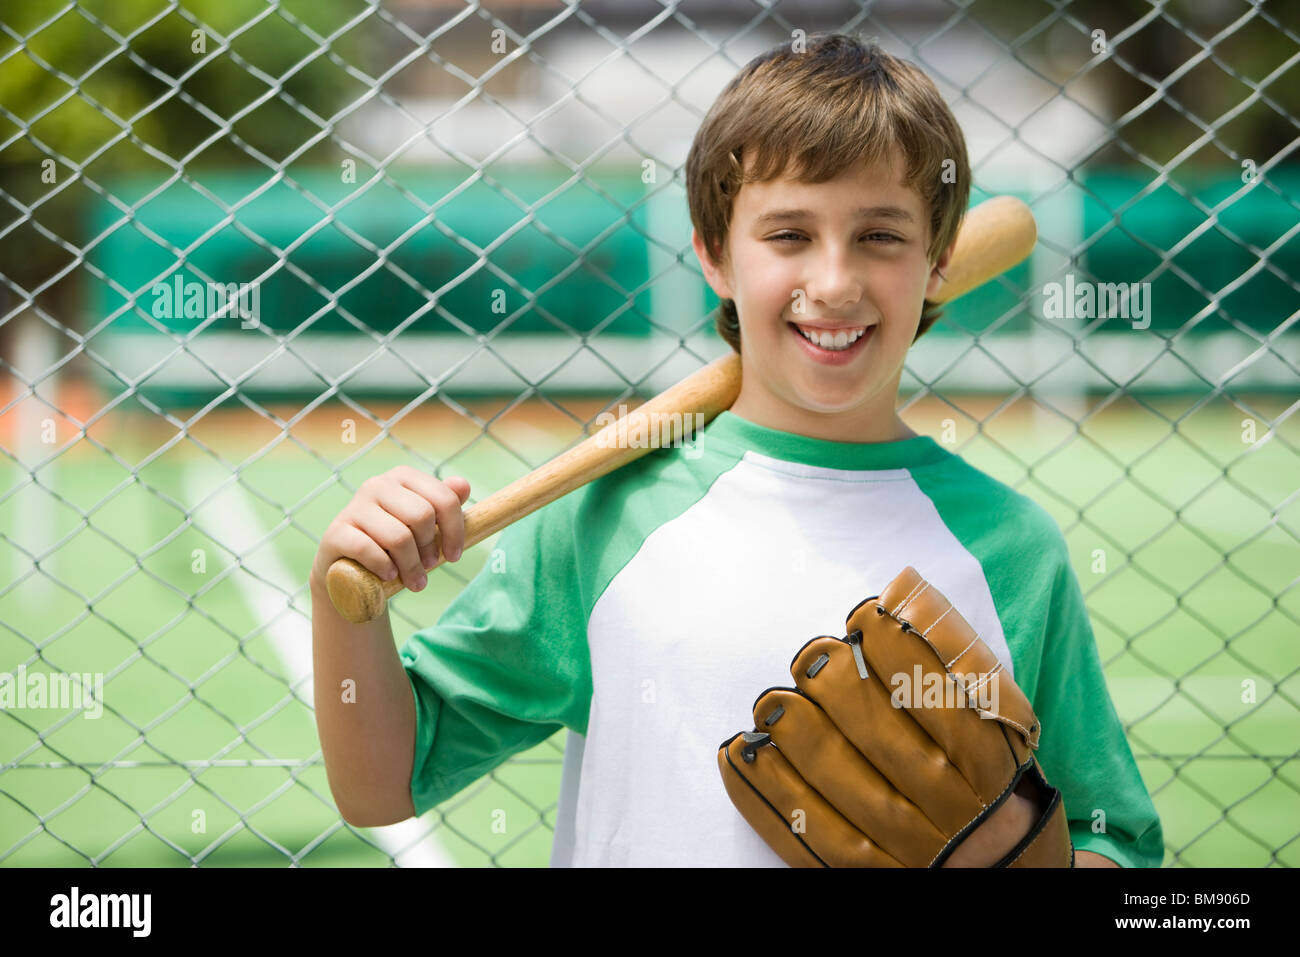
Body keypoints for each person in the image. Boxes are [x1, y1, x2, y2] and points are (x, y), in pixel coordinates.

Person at [310, 32, 1164, 868]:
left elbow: (1112, 839)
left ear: (938, 261)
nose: (833, 282)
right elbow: (384, 782)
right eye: (788, 235)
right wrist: (344, 599)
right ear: (714, 253)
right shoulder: (609, 512)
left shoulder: (1011, 546)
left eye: (881, 235)